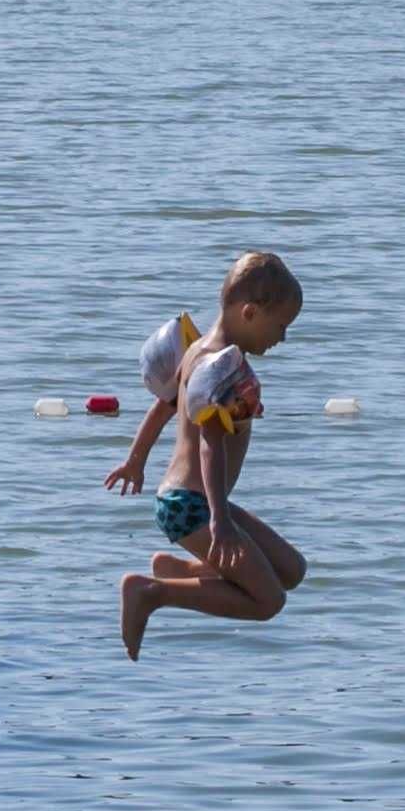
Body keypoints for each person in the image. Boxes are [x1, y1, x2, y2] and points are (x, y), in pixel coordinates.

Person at [108, 251, 308, 659]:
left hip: (197, 501)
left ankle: (181, 573)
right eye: (281, 326)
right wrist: (220, 520)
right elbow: (209, 443)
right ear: (250, 312)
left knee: (292, 570)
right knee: (269, 601)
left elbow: (164, 406)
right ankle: (151, 592)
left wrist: (136, 460)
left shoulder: (197, 348)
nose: (282, 338)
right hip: (194, 508)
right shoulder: (220, 368)